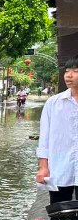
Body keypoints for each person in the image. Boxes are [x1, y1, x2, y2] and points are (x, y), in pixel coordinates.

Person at [36, 55, 78, 204]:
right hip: (60, 170)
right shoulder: (53, 103)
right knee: (60, 219)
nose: (69, 75)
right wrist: (43, 167)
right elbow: (44, 138)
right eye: (67, 71)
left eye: (75, 70)